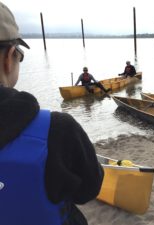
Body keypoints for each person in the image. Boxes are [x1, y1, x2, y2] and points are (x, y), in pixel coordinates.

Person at [0, 2, 103, 225]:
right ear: (9, 57)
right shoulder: (59, 129)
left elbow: (92, 82)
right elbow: (88, 191)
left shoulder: (89, 77)